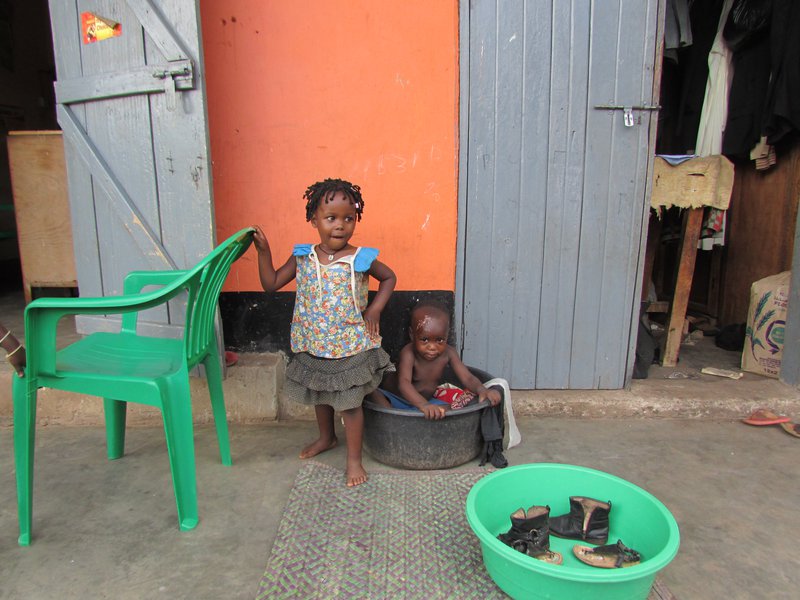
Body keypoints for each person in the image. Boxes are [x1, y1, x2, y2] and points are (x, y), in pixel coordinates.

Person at [253, 178, 396, 487]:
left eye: (348, 218)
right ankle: (327, 437)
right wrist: (264, 252)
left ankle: (354, 459)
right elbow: (271, 283)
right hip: (315, 341)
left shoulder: (360, 258)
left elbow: (389, 278)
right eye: (331, 218)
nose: (340, 226)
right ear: (314, 219)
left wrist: (374, 309)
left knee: (350, 402)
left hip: (349, 344)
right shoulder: (303, 257)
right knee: (320, 392)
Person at [371, 299, 501, 419]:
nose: (432, 347)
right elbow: (404, 384)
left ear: (447, 335)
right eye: (424, 340)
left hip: (426, 401)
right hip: (397, 398)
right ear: (412, 335)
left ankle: (418, 413)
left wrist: (482, 390)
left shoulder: (449, 353)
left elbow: (467, 378)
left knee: (450, 410)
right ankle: (395, 420)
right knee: (374, 395)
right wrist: (424, 405)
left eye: (439, 340)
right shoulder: (408, 353)